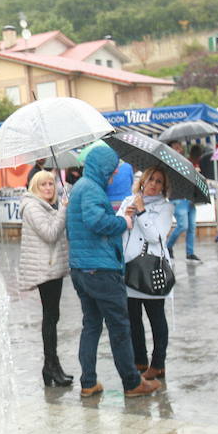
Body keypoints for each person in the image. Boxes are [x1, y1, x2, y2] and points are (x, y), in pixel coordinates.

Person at [65, 145, 161, 399]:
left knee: (92, 326)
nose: (113, 176)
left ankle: (89, 382)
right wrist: (123, 222)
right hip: (101, 270)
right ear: (103, 168)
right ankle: (132, 383)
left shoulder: (81, 188)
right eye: (112, 171)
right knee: (119, 327)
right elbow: (96, 222)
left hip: (81, 269)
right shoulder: (92, 190)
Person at [117, 167, 174, 382]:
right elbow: (118, 230)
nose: (153, 184)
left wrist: (141, 213)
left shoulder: (166, 207)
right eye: (150, 179)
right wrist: (126, 217)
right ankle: (139, 359)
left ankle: (158, 363)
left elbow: (156, 236)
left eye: (159, 182)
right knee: (133, 318)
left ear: (164, 187)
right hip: (129, 269)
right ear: (142, 181)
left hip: (151, 270)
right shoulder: (127, 201)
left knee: (156, 318)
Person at [17, 169, 71, 387]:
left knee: (53, 317)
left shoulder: (45, 205)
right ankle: (51, 365)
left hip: (51, 268)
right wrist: (64, 210)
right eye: (44, 185)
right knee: (50, 318)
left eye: (51, 184)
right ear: (35, 188)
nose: (49, 188)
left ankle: (51, 366)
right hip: (44, 270)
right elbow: (50, 233)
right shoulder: (32, 206)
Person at [165, 142, 201, 262]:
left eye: (180, 147)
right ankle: (168, 246)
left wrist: (195, 172)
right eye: (176, 147)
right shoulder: (168, 163)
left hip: (189, 198)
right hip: (178, 198)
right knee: (182, 226)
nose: (179, 149)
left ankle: (190, 253)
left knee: (191, 227)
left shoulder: (185, 161)